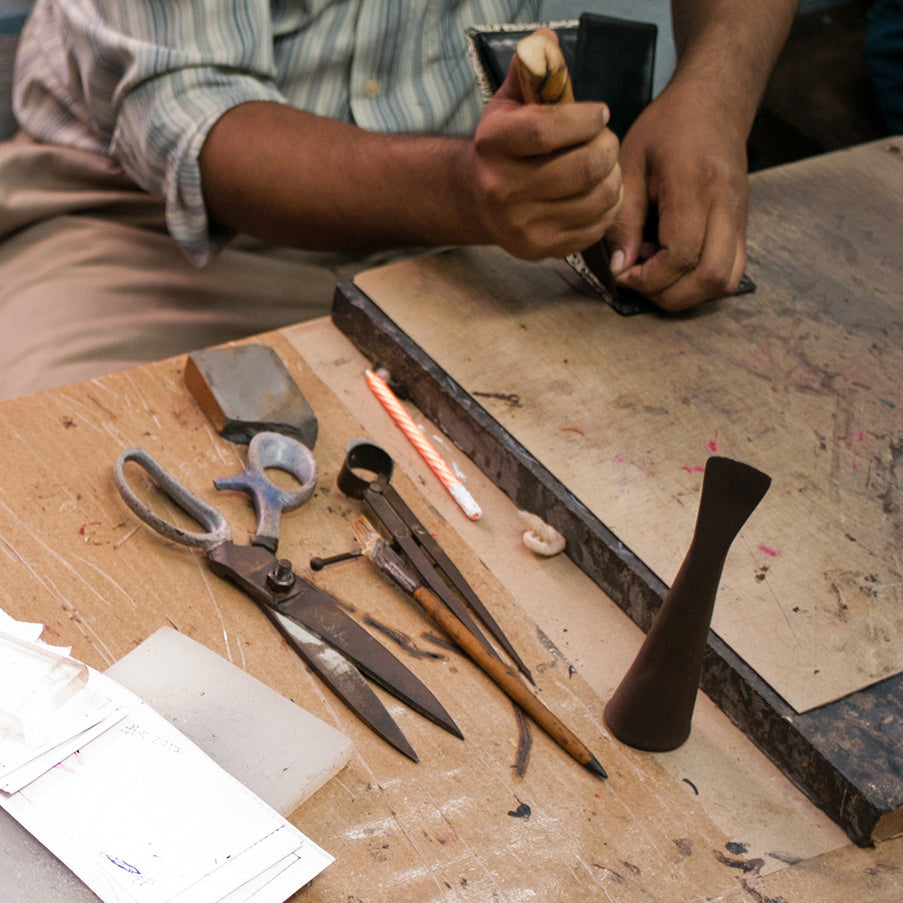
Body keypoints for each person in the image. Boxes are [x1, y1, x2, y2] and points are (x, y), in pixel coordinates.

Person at [0, 1, 795, 399]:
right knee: (51, 464)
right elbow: (188, 113)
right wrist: (465, 192)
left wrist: (712, 101)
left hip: (483, 207)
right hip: (151, 220)